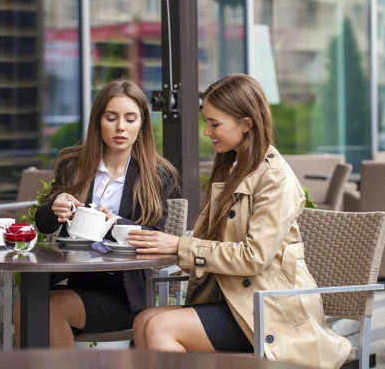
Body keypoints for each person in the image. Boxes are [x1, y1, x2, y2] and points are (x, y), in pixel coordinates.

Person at [127, 74, 351, 368]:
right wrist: (170, 248)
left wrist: (182, 246)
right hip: (235, 300)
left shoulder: (275, 177)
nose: (207, 131)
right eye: (205, 121)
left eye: (214, 123)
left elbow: (254, 257)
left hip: (269, 311)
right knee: (144, 320)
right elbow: (210, 245)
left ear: (246, 124)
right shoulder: (232, 168)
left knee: (160, 327)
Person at [14, 78, 178, 348]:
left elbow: (155, 237)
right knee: (27, 308)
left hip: (126, 293)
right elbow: (42, 225)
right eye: (111, 118)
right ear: (98, 121)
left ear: (142, 124)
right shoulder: (74, 163)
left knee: (49, 310)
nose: (120, 127)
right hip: (77, 280)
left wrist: (113, 222)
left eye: (130, 118)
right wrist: (55, 206)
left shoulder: (157, 174)